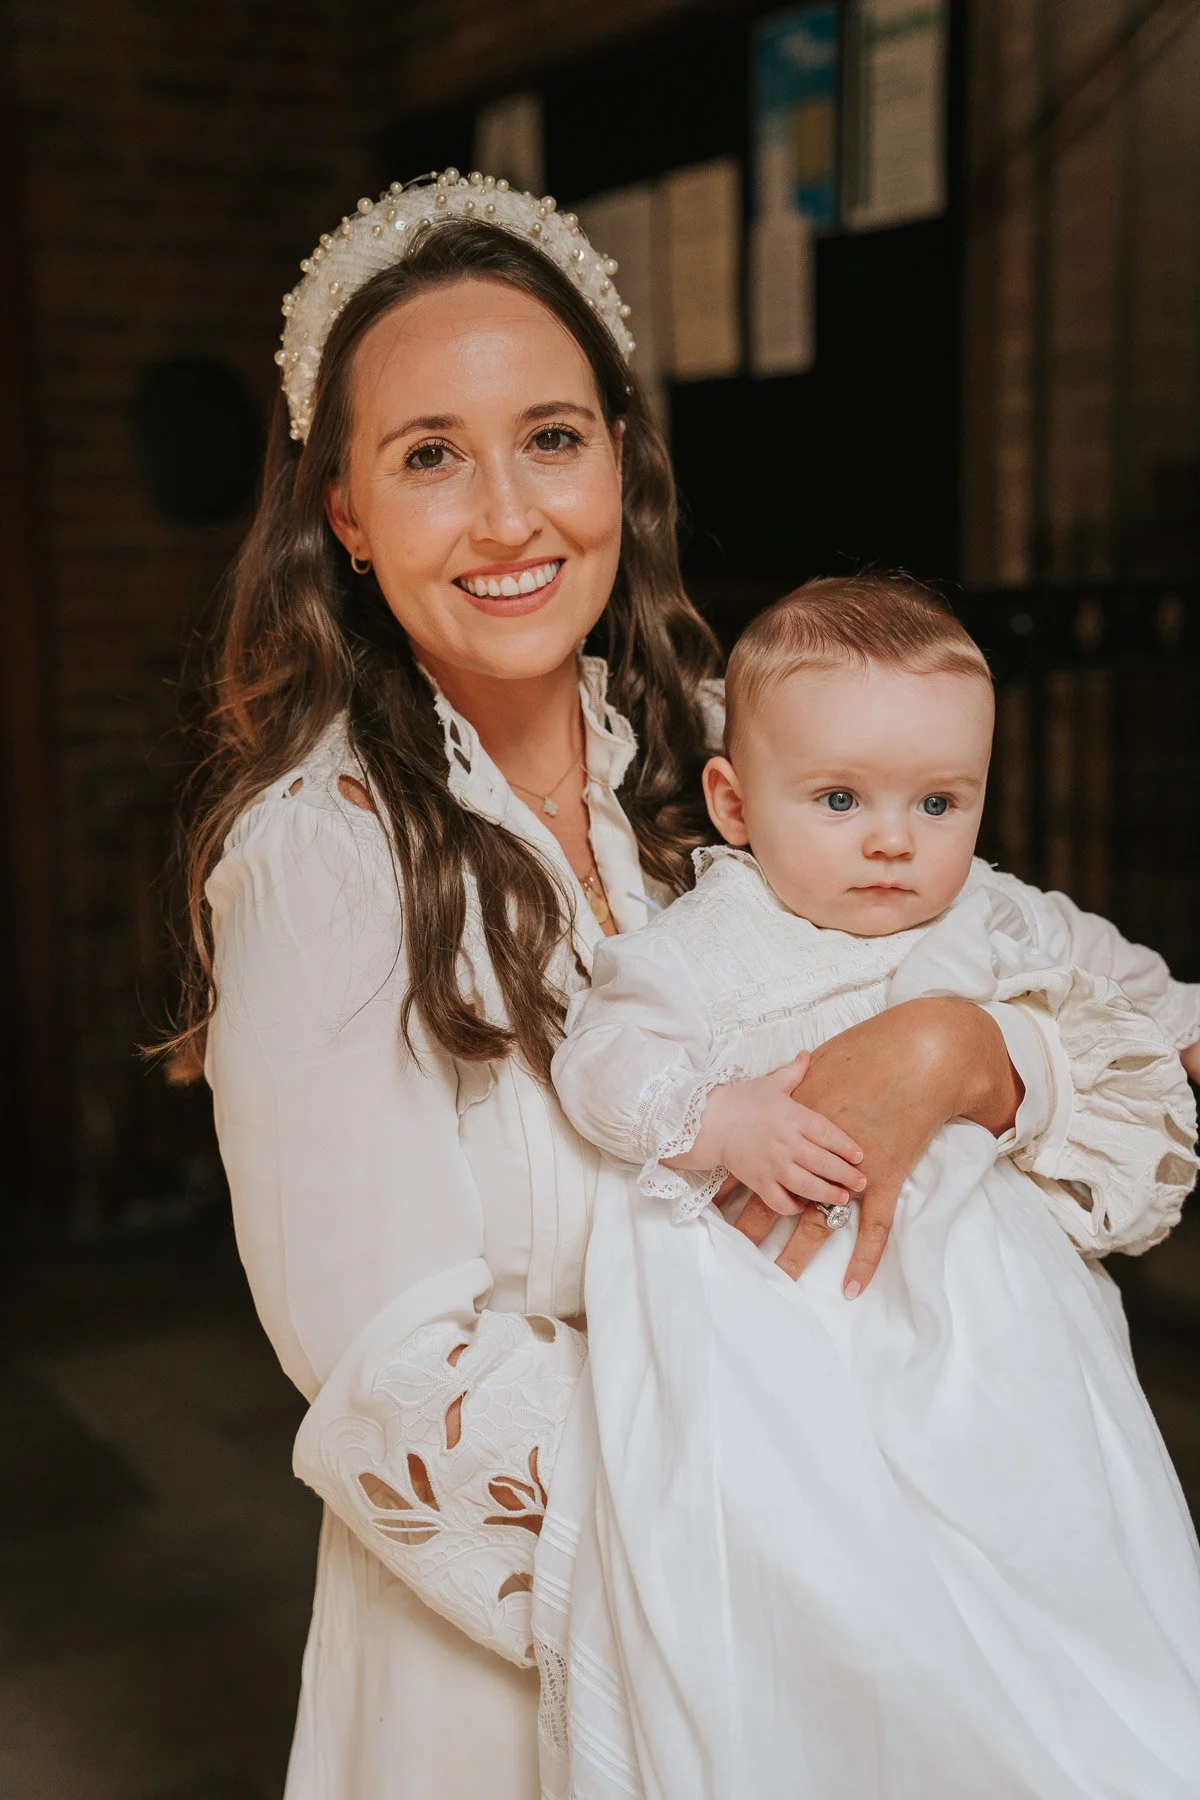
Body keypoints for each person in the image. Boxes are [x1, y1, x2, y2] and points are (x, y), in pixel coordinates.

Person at [172, 172, 1200, 1800]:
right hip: (553, 1651)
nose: (510, 515)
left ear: (622, 464)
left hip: (902, 1595)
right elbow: (386, 1378)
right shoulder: (322, 865)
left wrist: (961, 1051)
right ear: (345, 515)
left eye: (553, 438)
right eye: (431, 454)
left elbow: (1138, 1055)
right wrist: (792, 1541)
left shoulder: (743, 744)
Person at [543, 574, 1200, 1800]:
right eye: (840, 799)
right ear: (735, 804)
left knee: (1053, 1572)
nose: (894, 839)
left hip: (1002, 1340)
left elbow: (1152, 1008)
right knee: (850, 1612)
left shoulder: (1000, 916)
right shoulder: (712, 942)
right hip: (787, 1334)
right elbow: (601, 1061)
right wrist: (719, 1117)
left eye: (939, 802)